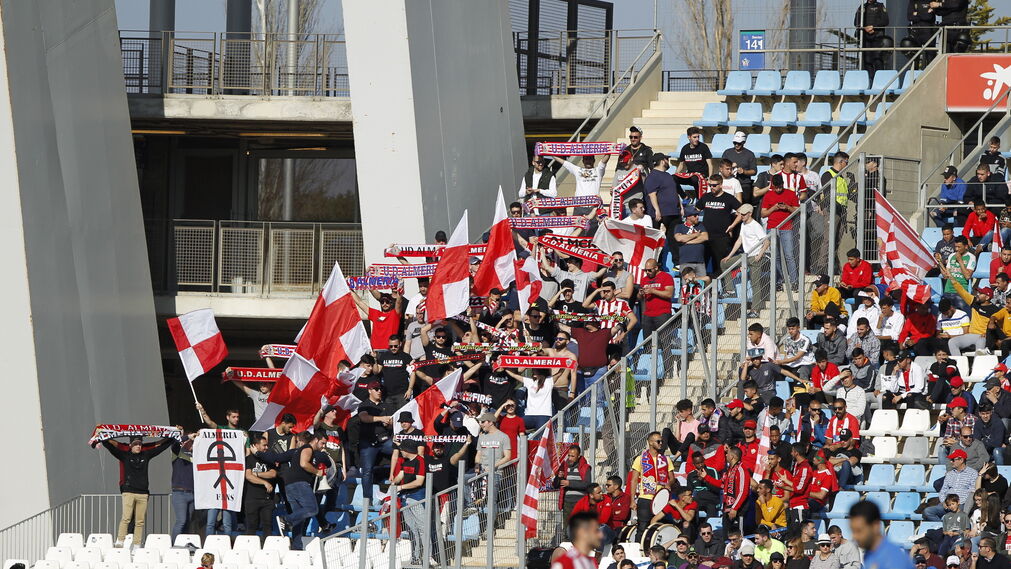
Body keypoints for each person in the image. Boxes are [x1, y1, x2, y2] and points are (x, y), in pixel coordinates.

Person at [254, 431, 325, 550]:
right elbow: (304, 464)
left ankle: (297, 547)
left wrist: (258, 453)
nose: (324, 447)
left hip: (288, 485)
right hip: (300, 484)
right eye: (323, 443)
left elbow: (276, 457)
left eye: (297, 441)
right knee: (313, 509)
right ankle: (285, 519)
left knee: (299, 518)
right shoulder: (308, 448)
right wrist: (318, 471)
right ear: (315, 440)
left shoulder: (294, 451)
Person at [101, 435, 174, 546]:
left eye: (140, 444)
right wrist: (102, 437)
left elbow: (160, 448)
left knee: (139, 521)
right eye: (135, 444)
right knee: (126, 518)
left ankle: (136, 544)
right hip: (129, 492)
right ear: (130, 445)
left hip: (143, 493)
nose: (138, 446)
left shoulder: (146, 455)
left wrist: (173, 437)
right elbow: (111, 448)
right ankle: (120, 540)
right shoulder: (124, 455)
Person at [629, 431, 675, 538]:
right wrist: (632, 500)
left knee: (659, 528)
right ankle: (639, 552)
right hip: (645, 497)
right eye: (658, 441)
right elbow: (634, 480)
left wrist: (668, 483)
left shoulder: (666, 459)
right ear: (650, 442)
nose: (661, 443)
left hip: (662, 498)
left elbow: (672, 478)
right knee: (642, 528)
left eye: (662, 441)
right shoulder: (640, 459)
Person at [696, 174, 742, 278]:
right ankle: (703, 289)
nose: (711, 187)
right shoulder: (706, 197)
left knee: (720, 265)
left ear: (721, 184)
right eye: (710, 185)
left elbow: (742, 212)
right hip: (705, 236)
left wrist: (733, 225)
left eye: (714, 185)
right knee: (702, 263)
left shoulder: (728, 198)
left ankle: (724, 290)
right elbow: (695, 211)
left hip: (722, 237)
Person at [357, 380, 394, 502]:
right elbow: (364, 418)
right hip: (368, 443)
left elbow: (392, 423)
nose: (379, 391)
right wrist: (381, 418)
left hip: (384, 441)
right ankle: (367, 500)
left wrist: (388, 424)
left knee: (401, 451)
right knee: (367, 471)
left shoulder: (387, 406)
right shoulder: (364, 405)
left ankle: (397, 490)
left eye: (380, 389)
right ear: (369, 391)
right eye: (376, 389)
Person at [761, 174, 800, 288]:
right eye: (776, 187)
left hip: (786, 228)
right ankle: (779, 281)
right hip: (772, 228)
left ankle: (794, 281)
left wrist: (787, 207)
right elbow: (763, 213)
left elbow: (797, 211)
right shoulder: (768, 195)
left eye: (780, 187)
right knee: (775, 256)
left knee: (789, 255)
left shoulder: (790, 193)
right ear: (773, 185)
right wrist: (774, 207)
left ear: (783, 184)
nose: (778, 189)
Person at [645, 152, 684, 262]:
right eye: (666, 159)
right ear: (663, 161)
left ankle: (677, 263)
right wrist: (657, 210)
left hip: (674, 212)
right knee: (658, 241)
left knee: (675, 238)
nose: (668, 161)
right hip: (661, 214)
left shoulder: (667, 175)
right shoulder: (652, 176)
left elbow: (674, 192)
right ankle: (657, 263)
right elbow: (652, 195)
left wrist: (680, 206)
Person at [924, 449, 979, 521]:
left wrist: (958, 504)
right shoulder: (950, 474)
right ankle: (942, 528)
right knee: (928, 511)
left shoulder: (972, 473)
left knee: (955, 518)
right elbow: (943, 490)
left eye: (953, 460)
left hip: (961, 504)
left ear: (961, 460)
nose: (951, 462)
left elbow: (972, 492)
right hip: (947, 503)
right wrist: (944, 501)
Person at [243, 434, 277, 543]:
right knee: (252, 526)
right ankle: (250, 550)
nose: (267, 448)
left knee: (268, 526)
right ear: (255, 445)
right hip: (252, 499)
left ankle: (267, 550)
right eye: (264, 445)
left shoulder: (269, 458)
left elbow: (272, 474)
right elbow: (248, 476)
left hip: (267, 499)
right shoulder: (249, 459)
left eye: (267, 445)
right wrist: (265, 483)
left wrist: (257, 474)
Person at [555, 444, 593, 522]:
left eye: (573, 456)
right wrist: (558, 477)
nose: (570, 458)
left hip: (580, 502)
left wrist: (570, 484)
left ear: (578, 456)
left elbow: (587, 484)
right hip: (567, 502)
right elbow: (555, 485)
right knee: (567, 529)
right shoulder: (564, 467)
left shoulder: (585, 467)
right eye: (569, 456)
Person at [855, 0, 890, 76]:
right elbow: (856, 22)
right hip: (865, 38)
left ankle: (880, 79)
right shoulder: (862, 7)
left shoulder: (880, 6)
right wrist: (865, 28)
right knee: (867, 60)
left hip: (878, 37)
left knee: (878, 59)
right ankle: (870, 80)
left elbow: (885, 21)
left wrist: (873, 26)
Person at [673, 205, 709, 278]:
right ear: (688, 216)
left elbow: (705, 237)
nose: (697, 217)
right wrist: (696, 234)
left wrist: (687, 242)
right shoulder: (679, 227)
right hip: (685, 262)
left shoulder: (700, 225)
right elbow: (679, 238)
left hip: (700, 262)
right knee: (686, 286)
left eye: (698, 215)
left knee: (701, 285)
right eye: (695, 215)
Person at [723, 131, 758, 205]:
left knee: (745, 197)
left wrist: (744, 172)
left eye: (739, 143)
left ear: (743, 143)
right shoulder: (727, 152)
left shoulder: (749, 154)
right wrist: (730, 166)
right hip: (729, 181)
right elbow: (722, 167)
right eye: (735, 143)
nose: (736, 145)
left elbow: (754, 171)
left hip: (744, 183)